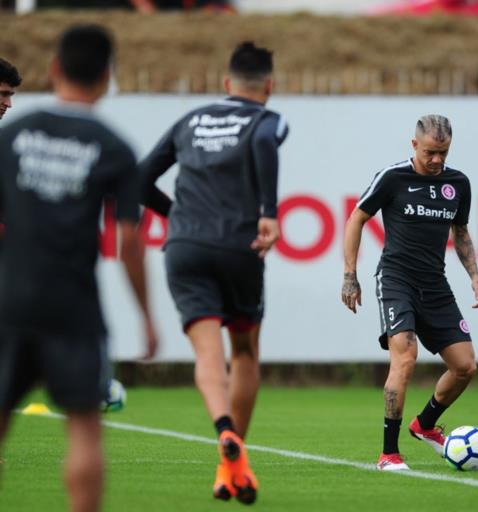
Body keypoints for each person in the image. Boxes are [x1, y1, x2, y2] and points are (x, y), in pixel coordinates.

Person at [0, 24, 158, 512]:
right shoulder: (113, 145)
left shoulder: (13, 135)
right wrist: (147, 316)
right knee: (85, 429)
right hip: (73, 305)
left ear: (53, 70)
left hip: (10, 298)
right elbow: (129, 241)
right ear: (107, 77)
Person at [140, 41, 286, 504]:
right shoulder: (265, 118)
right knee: (243, 350)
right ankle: (232, 456)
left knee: (206, 350)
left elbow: (140, 179)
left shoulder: (191, 119)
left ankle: (225, 437)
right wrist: (269, 210)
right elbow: (264, 142)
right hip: (238, 246)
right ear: (269, 85)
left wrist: (177, 215)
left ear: (226, 84)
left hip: (184, 247)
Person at [342, 114, 478, 471]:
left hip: (435, 285)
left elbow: (461, 232)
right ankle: (388, 454)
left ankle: (424, 425)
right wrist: (350, 275)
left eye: (443, 152)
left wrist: (474, 276)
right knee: (405, 357)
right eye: (430, 152)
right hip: (395, 281)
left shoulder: (458, 183)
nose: (437, 160)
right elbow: (356, 218)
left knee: (465, 366)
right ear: (414, 146)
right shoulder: (393, 178)